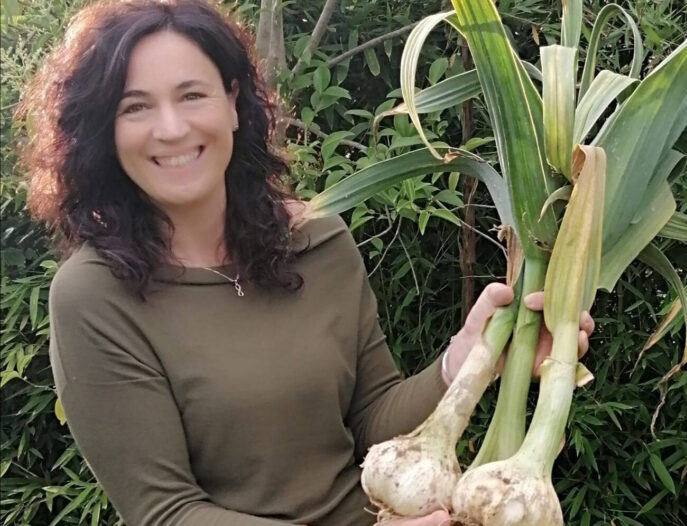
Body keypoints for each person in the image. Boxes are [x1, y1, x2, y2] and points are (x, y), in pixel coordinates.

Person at [17, 1, 594, 525]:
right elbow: (165, 512)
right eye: (135, 106)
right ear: (104, 132)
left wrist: (467, 361)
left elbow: (372, 420)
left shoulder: (318, 242)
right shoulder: (94, 295)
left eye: (192, 95)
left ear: (234, 103)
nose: (171, 128)